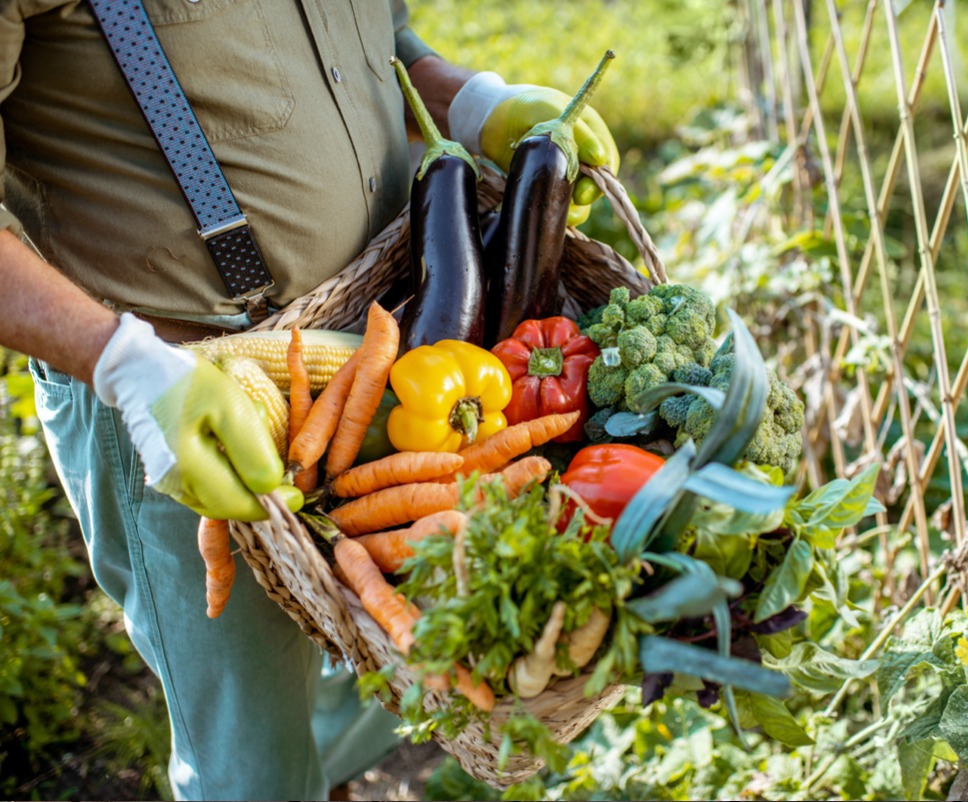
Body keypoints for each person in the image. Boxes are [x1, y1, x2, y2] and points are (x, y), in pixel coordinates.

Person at [0, 2, 619, 799]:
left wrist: (468, 101)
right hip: (185, 393)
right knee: (250, 763)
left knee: (371, 653)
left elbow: (374, 42)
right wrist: (120, 364)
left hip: (394, 337)